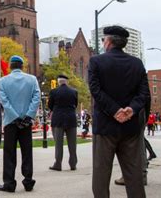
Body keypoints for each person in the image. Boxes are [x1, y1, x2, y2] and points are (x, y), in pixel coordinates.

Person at [88, 26, 150, 198]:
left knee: (101, 174)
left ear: (108, 41)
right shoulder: (137, 63)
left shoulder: (96, 62)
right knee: (134, 174)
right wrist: (132, 109)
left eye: (103, 40)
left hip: (105, 127)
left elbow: (95, 90)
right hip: (130, 126)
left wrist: (115, 111)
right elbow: (144, 93)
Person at [0, 55, 40, 193]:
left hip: (10, 122)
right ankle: (28, 182)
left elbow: (4, 101)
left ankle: (9, 183)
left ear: (10, 66)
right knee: (27, 152)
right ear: (21, 66)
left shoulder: (2, 81)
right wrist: (28, 116)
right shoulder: (32, 79)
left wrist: (14, 117)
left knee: (9, 153)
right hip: (26, 122)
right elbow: (36, 97)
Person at [48, 74, 78, 171]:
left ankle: (58, 164)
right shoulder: (74, 92)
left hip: (58, 119)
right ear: (66, 82)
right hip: (71, 119)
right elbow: (75, 104)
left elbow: (50, 106)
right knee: (72, 143)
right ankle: (73, 164)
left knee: (58, 143)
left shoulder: (53, 92)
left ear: (58, 82)